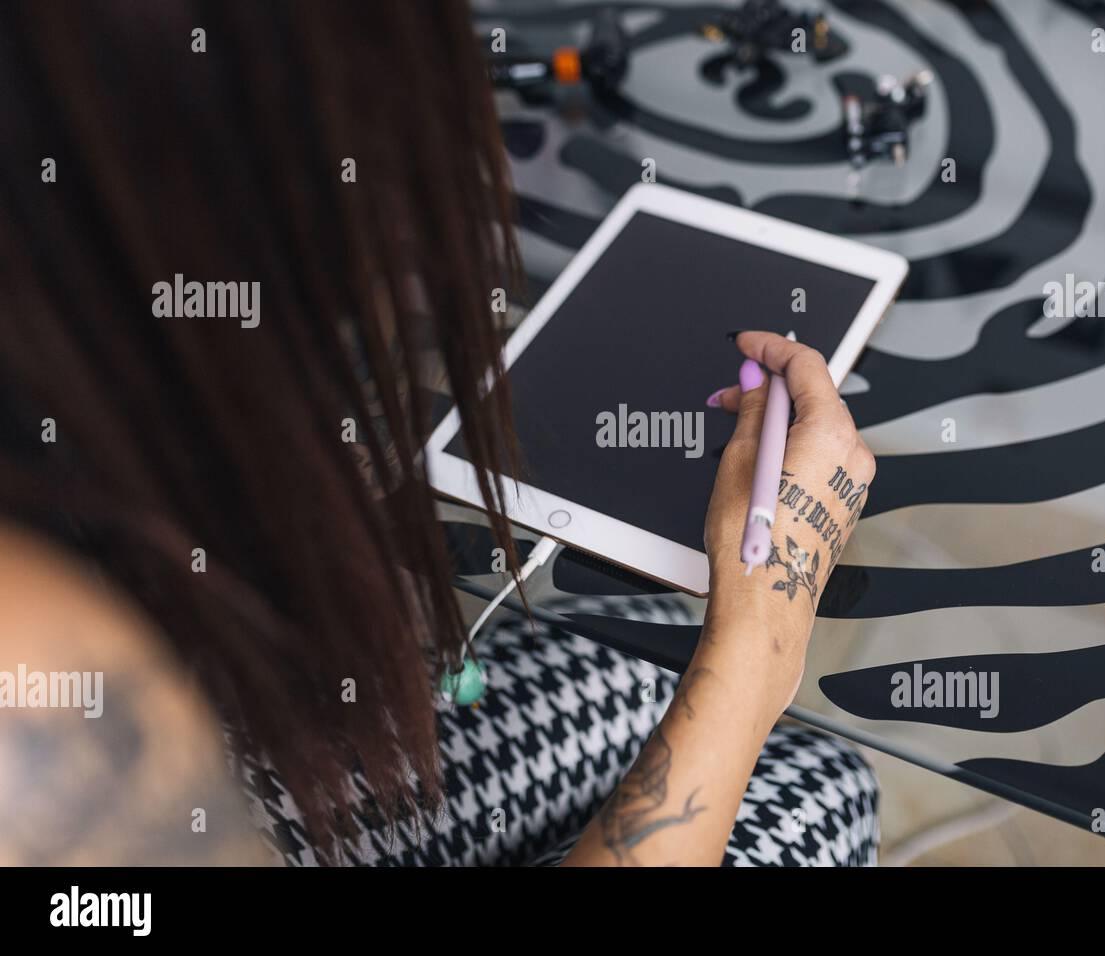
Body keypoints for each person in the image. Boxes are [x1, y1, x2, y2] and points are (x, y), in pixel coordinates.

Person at [0, 0, 878, 866]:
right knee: (823, 783)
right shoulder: (40, 715)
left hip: (222, 766)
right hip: (191, 786)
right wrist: (759, 645)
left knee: (648, 643)